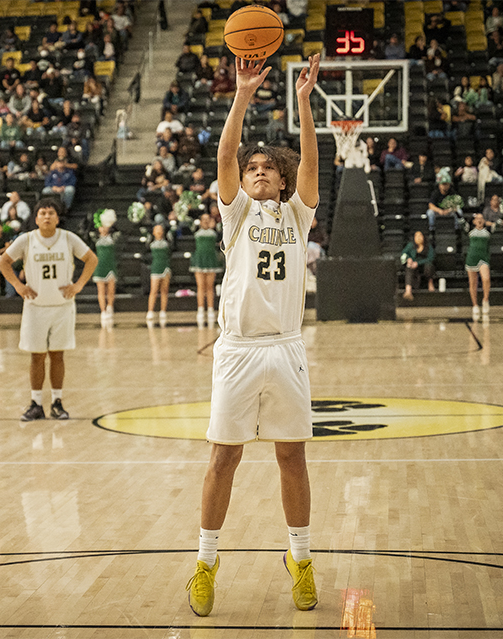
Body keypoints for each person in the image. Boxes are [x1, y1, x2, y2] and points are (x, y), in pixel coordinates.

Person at [186, 55, 321, 619]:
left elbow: (313, 164)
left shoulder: (297, 217)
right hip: (238, 350)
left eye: (269, 168)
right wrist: (242, 95)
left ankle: (301, 559)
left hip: (286, 348)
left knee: (292, 457)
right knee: (224, 459)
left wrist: (305, 104)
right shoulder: (236, 215)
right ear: (241, 183)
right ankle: (205, 563)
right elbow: (223, 154)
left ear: (283, 180)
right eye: (252, 169)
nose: (260, 171)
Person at [0, 198, 98, 422]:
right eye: (42, 213)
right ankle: (35, 403)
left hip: (62, 307)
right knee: (36, 357)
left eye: (51, 213)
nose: (46, 216)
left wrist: (79, 285)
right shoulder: (26, 240)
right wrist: (18, 285)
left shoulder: (68, 238)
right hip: (35, 307)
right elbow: (3, 262)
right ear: (36, 218)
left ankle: (57, 402)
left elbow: (91, 259)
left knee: (57, 356)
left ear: (57, 217)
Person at [190, 212, 221, 327]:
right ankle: (200, 309)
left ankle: (211, 309)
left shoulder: (214, 232)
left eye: (208, 219)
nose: (206, 221)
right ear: (200, 221)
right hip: (199, 260)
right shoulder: (196, 232)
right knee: (201, 286)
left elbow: (221, 236)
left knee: (210, 286)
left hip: (211, 260)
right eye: (204, 219)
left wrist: (215, 226)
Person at [93, 211, 118, 328]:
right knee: (101, 290)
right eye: (101, 227)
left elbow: (120, 232)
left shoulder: (113, 238)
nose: (103, 229)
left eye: (105, 227)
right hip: (99, 266)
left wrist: (111, 222)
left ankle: (110, 307)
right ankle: (102, 311)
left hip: (110, 265)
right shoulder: (94, 238)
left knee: (111, 289)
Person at [465, 212, 492, 319]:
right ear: (474, 221)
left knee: (486, 279)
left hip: (483, 258)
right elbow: (461, 220)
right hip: (472, 257)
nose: (480, 220)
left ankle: (485, 299)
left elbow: (500, 222)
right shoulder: (470, 231)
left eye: (481, 218)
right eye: (477, 218)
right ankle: (475, 305)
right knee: (473, 283)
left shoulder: (488, 231)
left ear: (484, 221)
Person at [145, 224, 171, 327]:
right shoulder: (150, 244)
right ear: (153, 232)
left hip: (165, 267)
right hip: (155, 268)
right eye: (157, 230)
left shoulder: (167, 243)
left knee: (164, 290)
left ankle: (163, 311)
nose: (159, 232)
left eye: (160, 230)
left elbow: (171, 252)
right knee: (154, 290)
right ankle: (150, 311)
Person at [401, 231, 436, 300]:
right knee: (408, 268)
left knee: (429, 266)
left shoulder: (428, 246)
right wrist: (408, 259)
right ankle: (408, 291)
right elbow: (404, 253)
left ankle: (430, 283)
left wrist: (418, 263)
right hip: (413, 266)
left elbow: (431, 258)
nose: (418, 238)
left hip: (424, 266)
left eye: (420, 236)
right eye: (416, 236)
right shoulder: (410, 245)